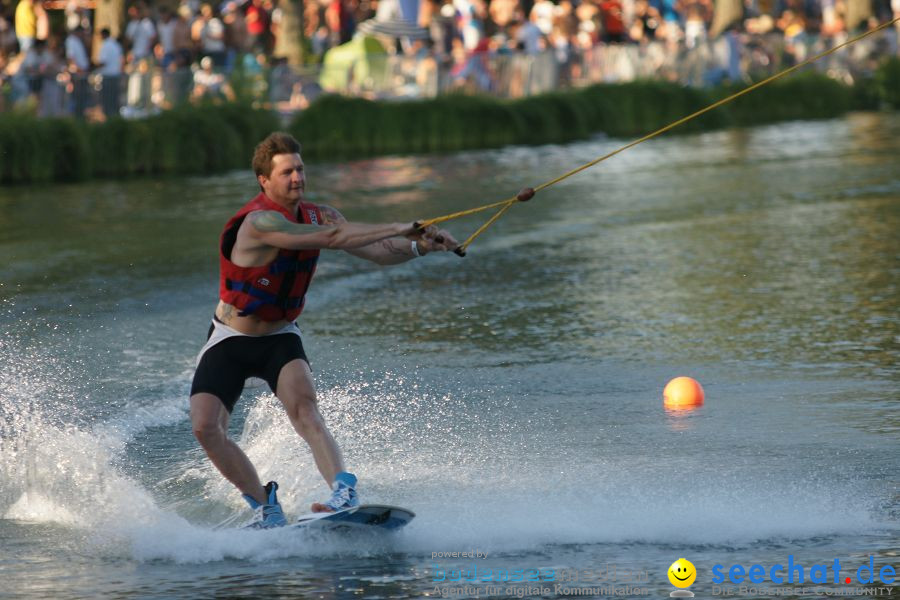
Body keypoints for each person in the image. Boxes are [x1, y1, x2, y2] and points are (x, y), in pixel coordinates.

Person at [189, 132, 458, 529]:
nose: (297, 178)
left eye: (300, 169)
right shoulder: (258, 223)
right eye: (286, 172)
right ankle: (265, 508)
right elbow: (331, 240)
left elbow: (377, 252)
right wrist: (403, 226)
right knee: (205, 427)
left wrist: (420, 246)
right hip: (232, 337)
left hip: (280, 336)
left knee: (305, 409)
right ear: (264, 180)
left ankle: (343, 490)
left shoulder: (323, 214)